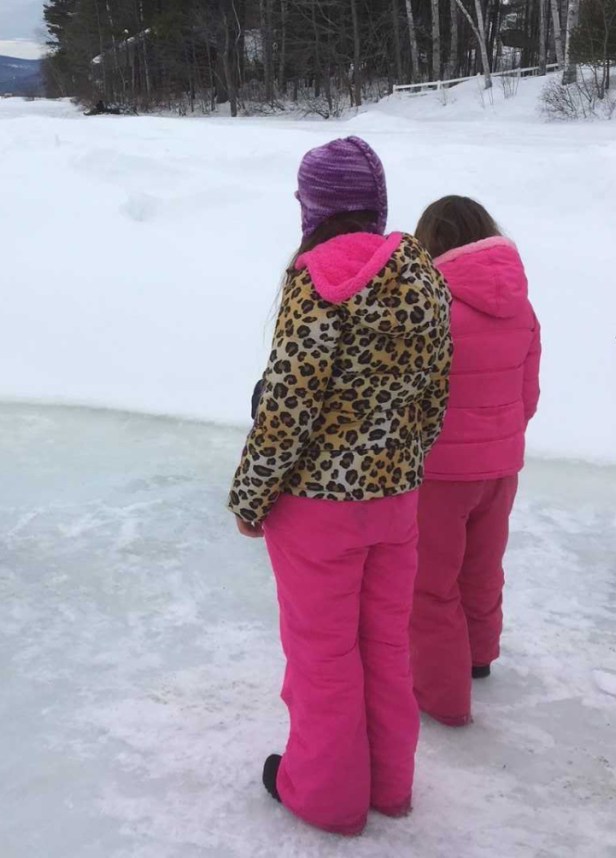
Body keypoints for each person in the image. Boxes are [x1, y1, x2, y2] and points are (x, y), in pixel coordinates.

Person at [228, 136, 452, 836]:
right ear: (377, 203)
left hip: (318, 509)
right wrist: (403, 461)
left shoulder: (316, 277)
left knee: (323, 656)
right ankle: (389, 786)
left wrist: (249, 496)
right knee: (384, 646)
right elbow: (436, 394)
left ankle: (326, 796)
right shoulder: (423, 274)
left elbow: (287, 408)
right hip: (396, 502)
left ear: (313, 207)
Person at [409, 196, 541, 725]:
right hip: (502, 467)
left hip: (440, 473)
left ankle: (443, 698)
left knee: (432, 584)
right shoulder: (521, 305)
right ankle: (479, 658)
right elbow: (528, 394)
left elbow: (412, 395)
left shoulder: (430, 306)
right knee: (483, 566)